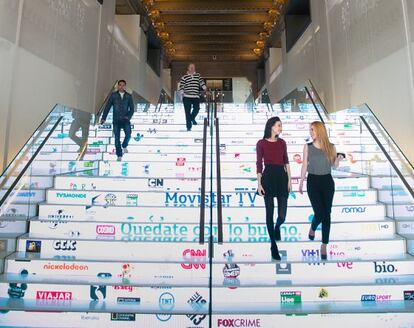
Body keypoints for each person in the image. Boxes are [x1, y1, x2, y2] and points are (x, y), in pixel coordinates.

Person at [299, 121, 343, 260]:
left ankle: (324, 244)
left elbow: (334, 166)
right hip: (313, 182)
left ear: (320, 130)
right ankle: (313, 227)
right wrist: (301, 182)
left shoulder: (331, 147)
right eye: (310, 130)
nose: (310, 132)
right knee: (320, 212)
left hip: (327, 182)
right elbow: (305, 164)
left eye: (312, 130)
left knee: (327, 214)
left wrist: (338, 159)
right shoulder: (308, 146)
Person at [256, 117, 292, 261]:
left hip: (282, 178)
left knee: (282, 215)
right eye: (278, 125)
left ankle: (278, 227)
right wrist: (259, 184)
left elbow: (287, 161)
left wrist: (290, 180)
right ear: (271, 126)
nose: (280, 128)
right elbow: (259, 164)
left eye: (281, 126)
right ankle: (273, 245)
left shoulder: (282, 142)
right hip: (268, 177)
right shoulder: (261, 143)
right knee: (269, 212)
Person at [100, 80, 135, 161]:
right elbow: (107, 107)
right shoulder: (113, 96)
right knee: (117, 138)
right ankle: (119, 155)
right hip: (116, 120)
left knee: (129, 134)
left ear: (125, 86)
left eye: (123, 85)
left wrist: (128, 117)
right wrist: (103, 118)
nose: (121, 87)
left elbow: (132, 109)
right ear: (118, 86)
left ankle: (124, 145)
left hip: (125, 120)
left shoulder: (129, 96)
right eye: (120, 85)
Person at [179, 63, 207, 131]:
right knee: (187, 112)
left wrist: (206, 89)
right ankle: (189, 127)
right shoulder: (184, 77)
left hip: (195, 96)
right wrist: (181, 95)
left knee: (197, 109)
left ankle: (192, 118)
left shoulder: (198, 75)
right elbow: (181, 87)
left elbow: (202, 83)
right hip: (186, 97)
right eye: (191, 67)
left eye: (193, 67)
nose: (192, 68)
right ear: (188, 68)